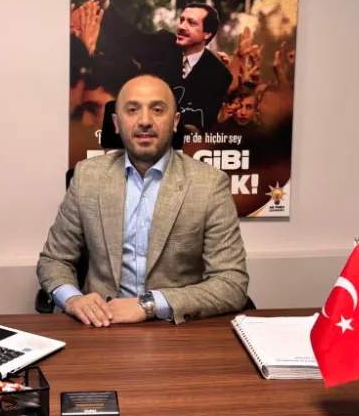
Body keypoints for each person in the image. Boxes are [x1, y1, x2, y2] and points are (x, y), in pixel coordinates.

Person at [37, 73, 249, 326]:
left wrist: (149, 305)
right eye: (132, 110)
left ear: (175, 122)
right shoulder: (87, 176)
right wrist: (72, 299)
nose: (145, 121)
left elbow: (231, 283)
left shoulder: (209, 184)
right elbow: (54, 260)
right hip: (100, 325)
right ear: (116, 123)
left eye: (157, 110)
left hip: (174, 327)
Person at [90, 0, 233, 132]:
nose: (182, 27)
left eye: (191, 23)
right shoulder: (162, 44)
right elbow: (129, 37)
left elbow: (202, 125)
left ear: (207, 34)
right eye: (181, 20)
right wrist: (102, 0)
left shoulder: (218, 74)